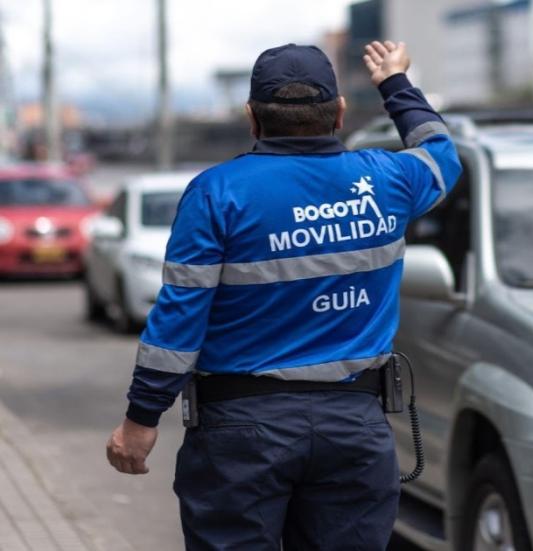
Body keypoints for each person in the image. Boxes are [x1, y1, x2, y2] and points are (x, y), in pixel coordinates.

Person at [105, 41, 461, 550]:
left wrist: (141, 418)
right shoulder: (390, 179)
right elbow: (441, 152)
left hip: (241, 436)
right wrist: (395, 84)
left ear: (252, 118)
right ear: (338, 113)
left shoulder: (216, 192)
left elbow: (179, 320)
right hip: (354, 430)